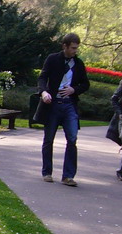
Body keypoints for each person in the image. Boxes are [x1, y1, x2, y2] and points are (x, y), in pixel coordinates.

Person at [35, 33, 89, 186]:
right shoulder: (53, 59)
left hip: (69, 105)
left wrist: (74, 90)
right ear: (64, 46)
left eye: (77, 48)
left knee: (72, 139)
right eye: (72, 48)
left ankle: (68, 176)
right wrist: (44, 92)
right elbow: (42, 77)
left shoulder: (78, 64)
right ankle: (47, 172)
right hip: (53, 104)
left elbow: (85, 84)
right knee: (49, 139)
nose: (75, 51)